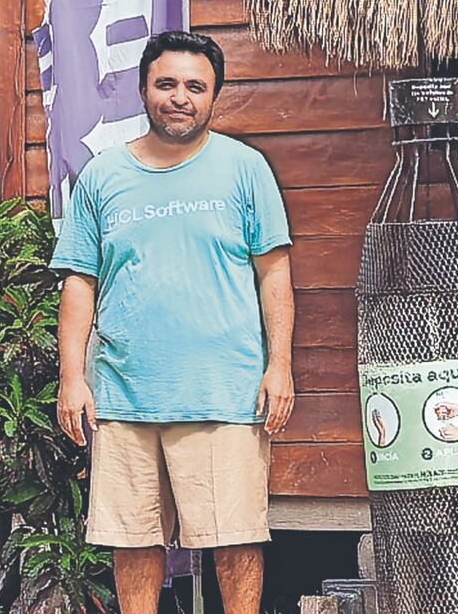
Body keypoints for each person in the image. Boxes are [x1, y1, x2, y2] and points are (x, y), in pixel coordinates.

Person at [50, 31, 295, 614]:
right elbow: (79, 282)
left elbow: (274, 274)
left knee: (234, 536)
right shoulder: (104, 175)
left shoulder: (245, 169)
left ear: (214, 96)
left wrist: (279, 365)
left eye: (194, 86)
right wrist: (72, 377)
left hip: (224, 392)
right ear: (143, 90)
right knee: (131, 539)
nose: (179, 97)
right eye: (166, 84)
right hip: (125, 393)